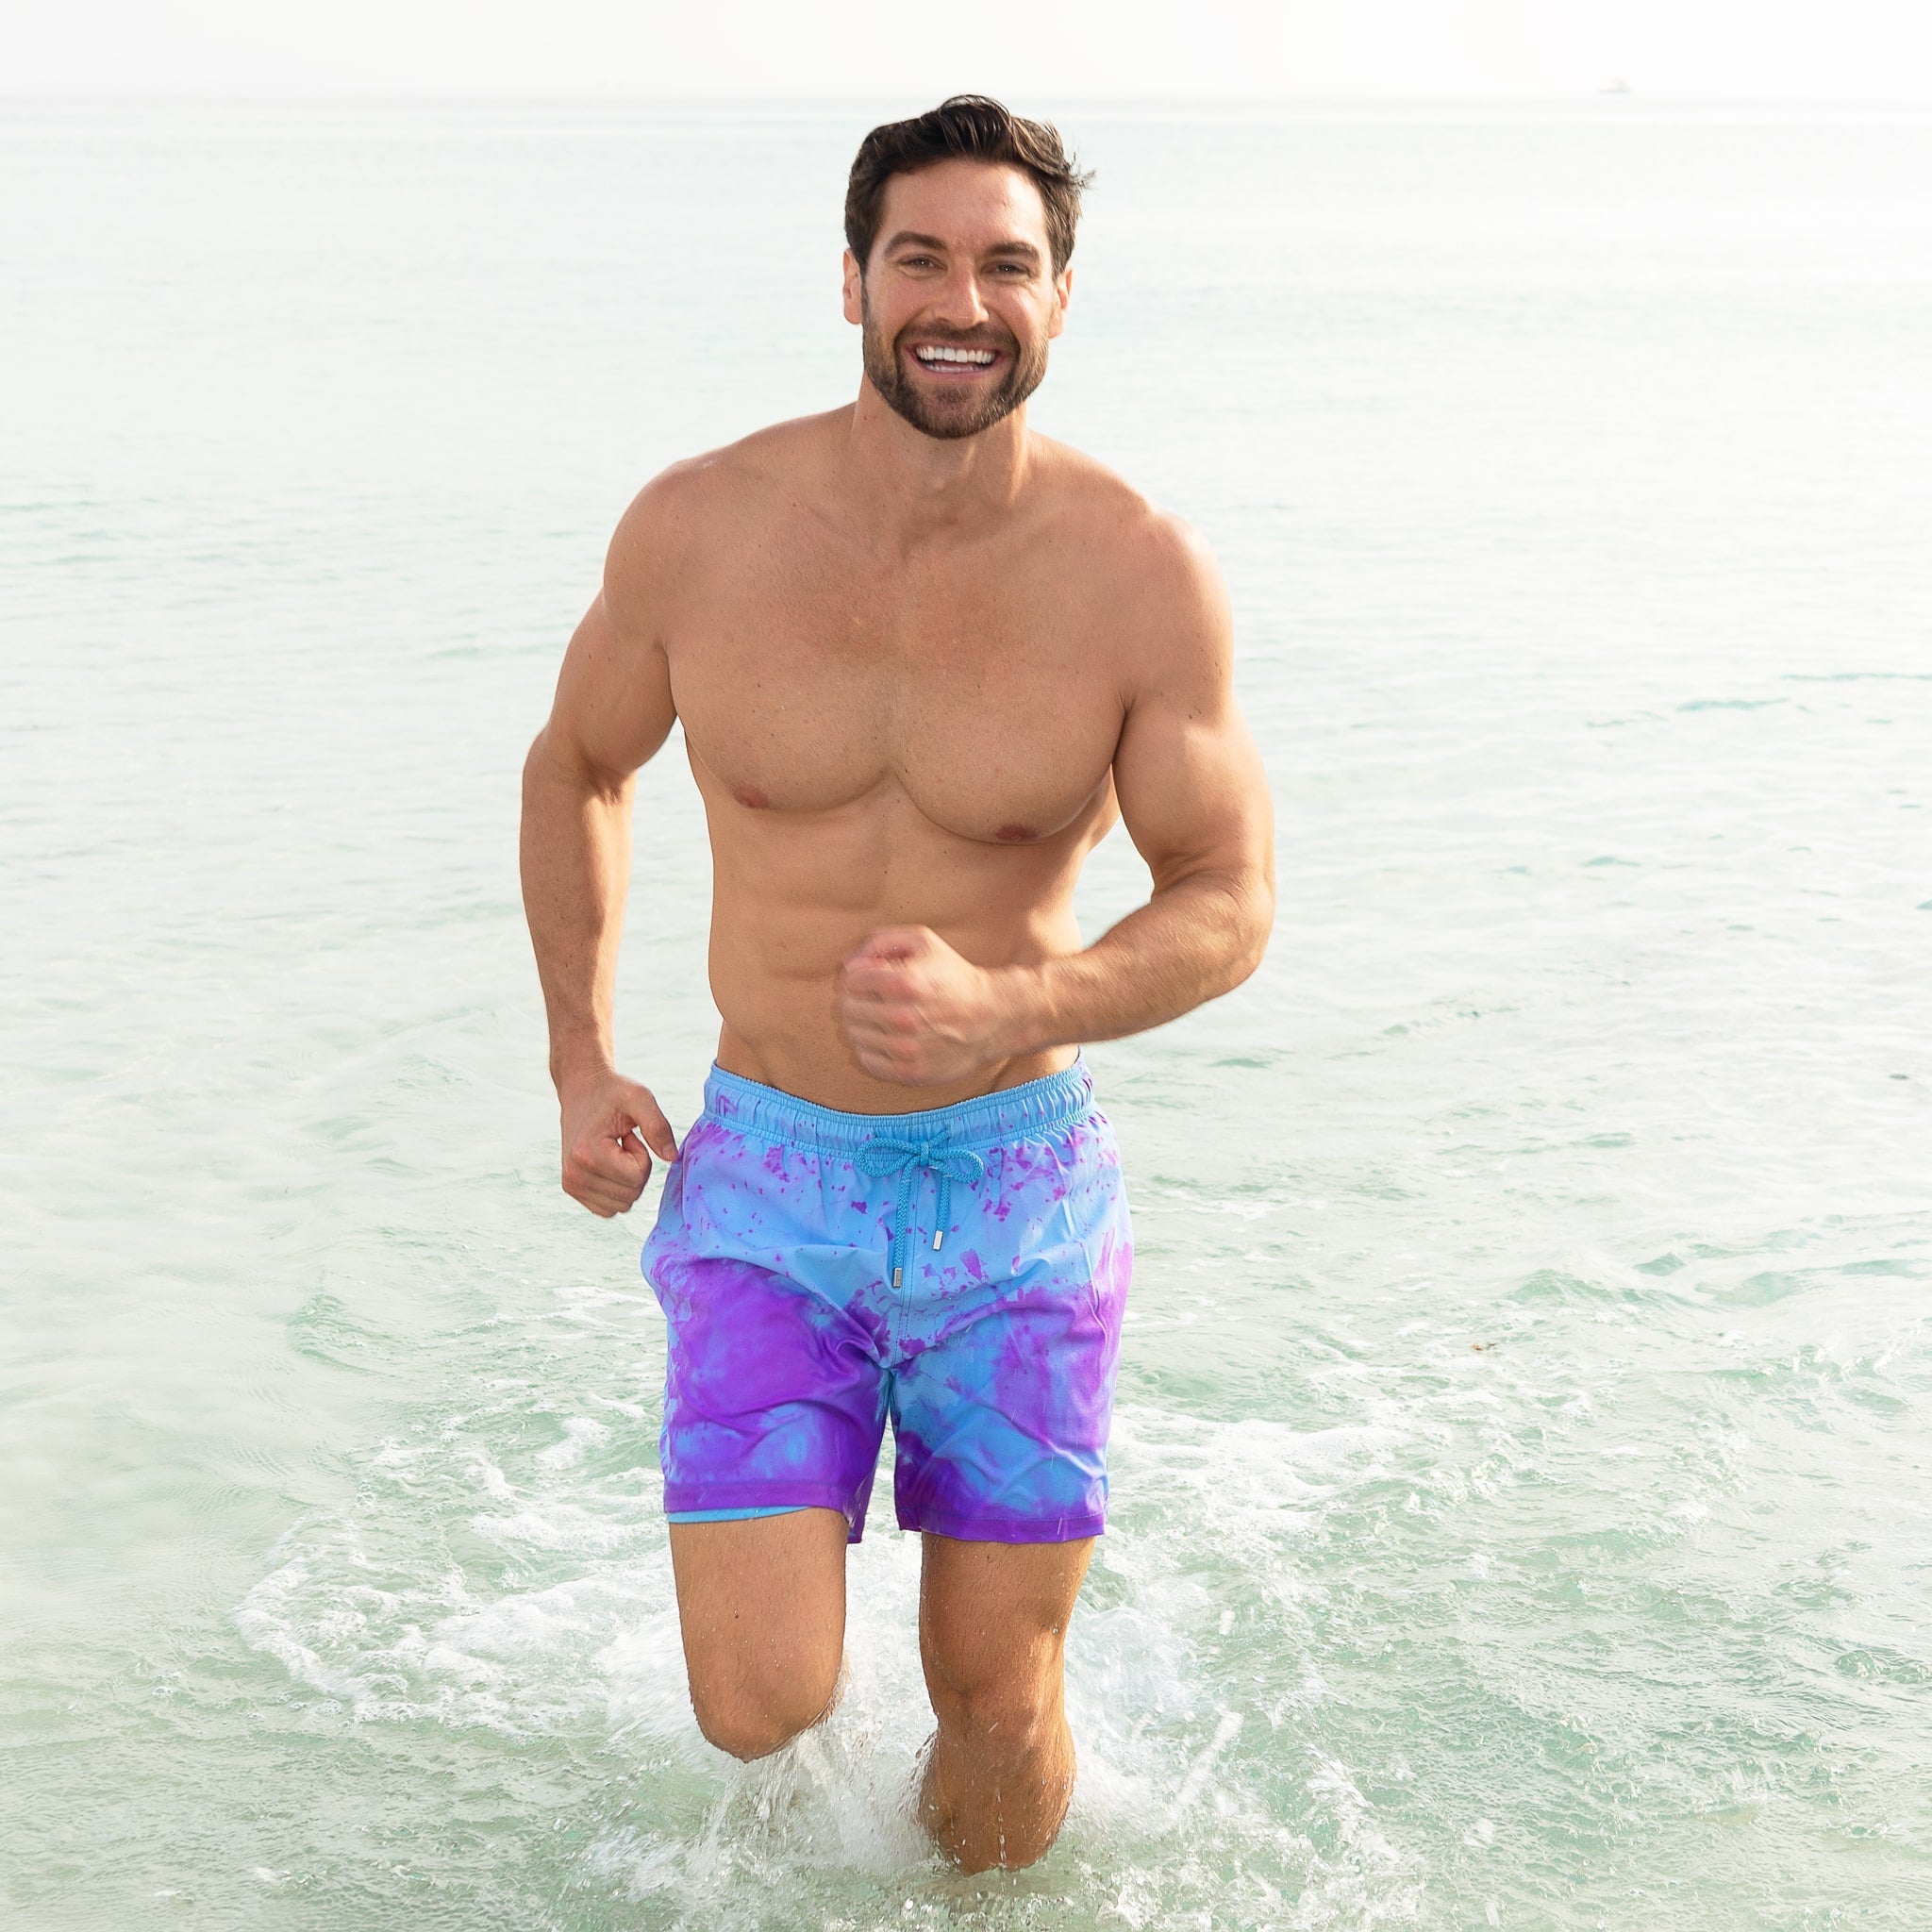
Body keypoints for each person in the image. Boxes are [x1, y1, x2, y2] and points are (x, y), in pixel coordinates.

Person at [519, 94, 1274, 1873]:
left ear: (1061, 299)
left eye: (1008, 264)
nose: (961, 298)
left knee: (995, 1699)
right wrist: (578, 1058)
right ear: (851, 282)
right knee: (757, 1698)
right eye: (920, 257)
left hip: (1014, 1189)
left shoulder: (1141, 573)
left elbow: (1231, 897)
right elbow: (579, 766)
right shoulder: (700, 529)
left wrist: (1024, 1006)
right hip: (772, 1171)